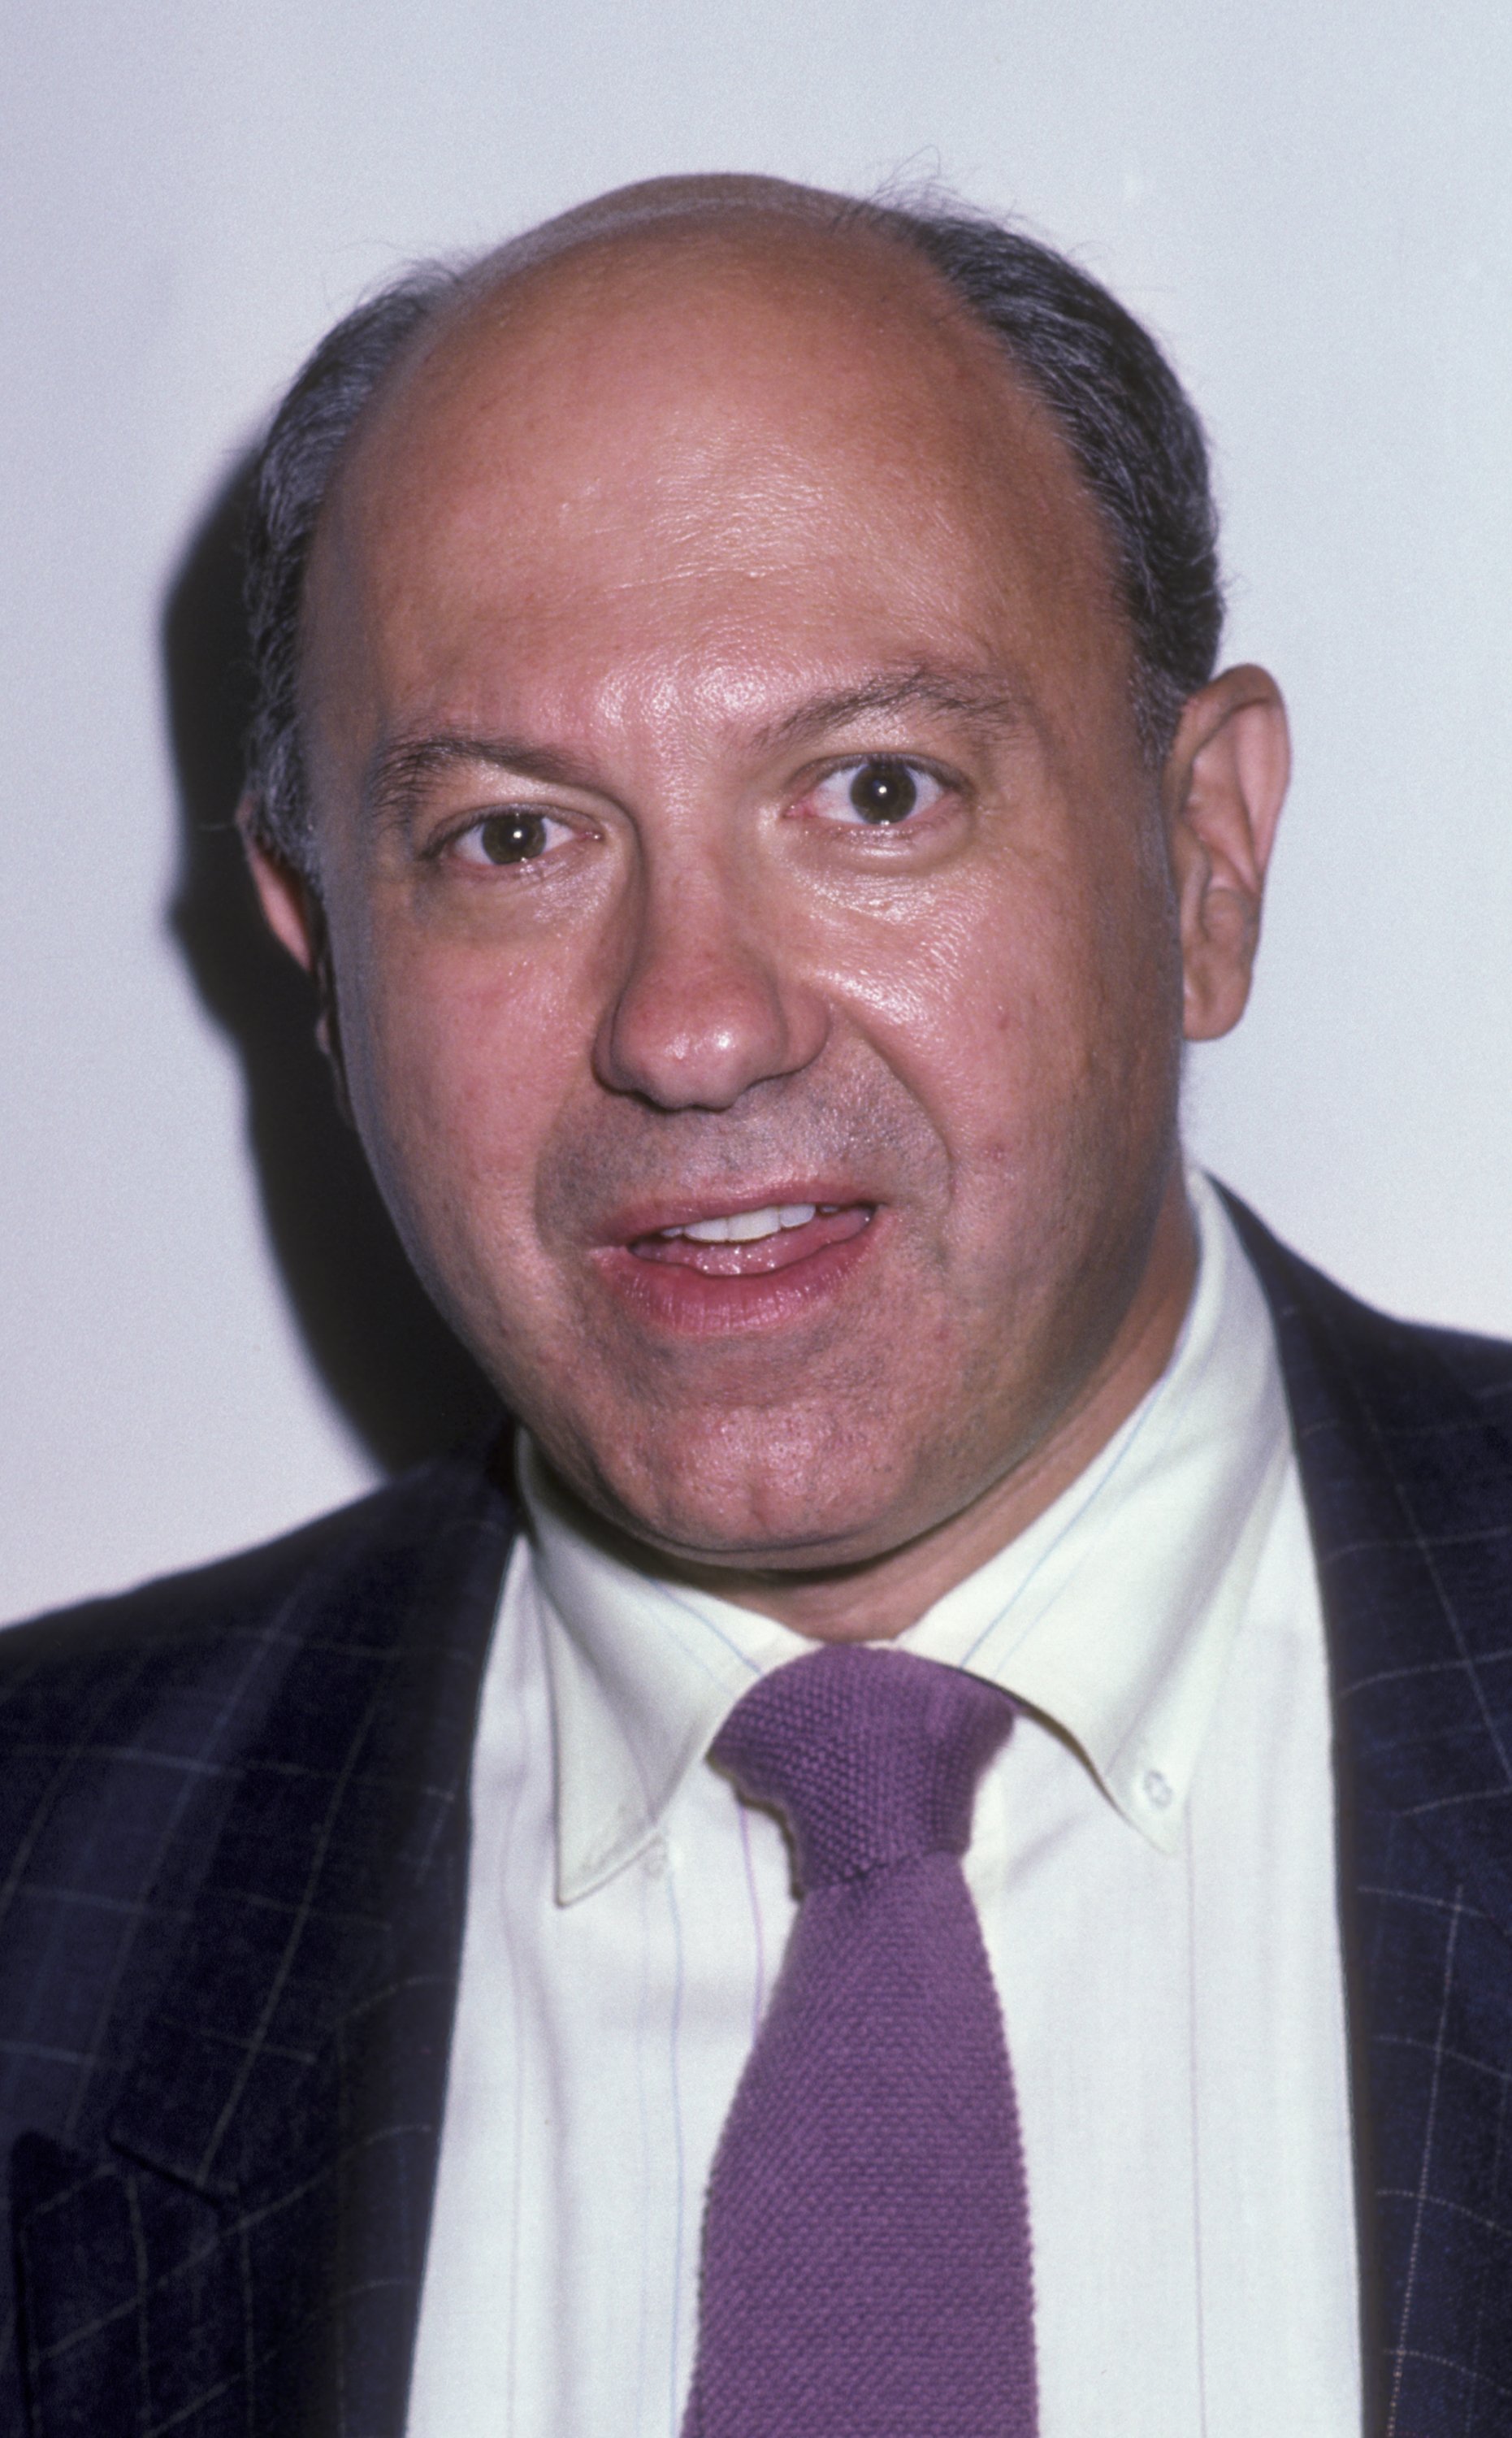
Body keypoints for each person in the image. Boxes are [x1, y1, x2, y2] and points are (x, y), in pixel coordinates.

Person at [2, 173, 1509, 2438]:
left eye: (874, 792)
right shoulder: (39, 1895)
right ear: (320, 957)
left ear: (1203, 858)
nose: (692, 1025)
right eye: (512, 837)